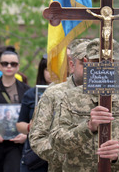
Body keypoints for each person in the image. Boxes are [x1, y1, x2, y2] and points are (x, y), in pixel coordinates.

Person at [48, 38, 119, 172]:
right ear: (86, 63)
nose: (103, 67)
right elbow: (56, 142)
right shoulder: (69, 97)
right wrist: (88, 127)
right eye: (96, 61)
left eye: (110, 62)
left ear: (118, 64)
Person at [29, 39, 90, 172]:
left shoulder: (112, 96)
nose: (90, 69)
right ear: (72, 65)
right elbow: (37, 138)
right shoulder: (54, 93)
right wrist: (67, 156)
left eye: (96, 64)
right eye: (84, 64)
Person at [16, 55, 51, 172]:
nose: (51, 73)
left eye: (55, 68)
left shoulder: (69, 92)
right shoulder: (31, 94)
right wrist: (30, 126)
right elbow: (20, 124)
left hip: (59, 155)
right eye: (47, 69)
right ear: (42, 71)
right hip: (34, 156)